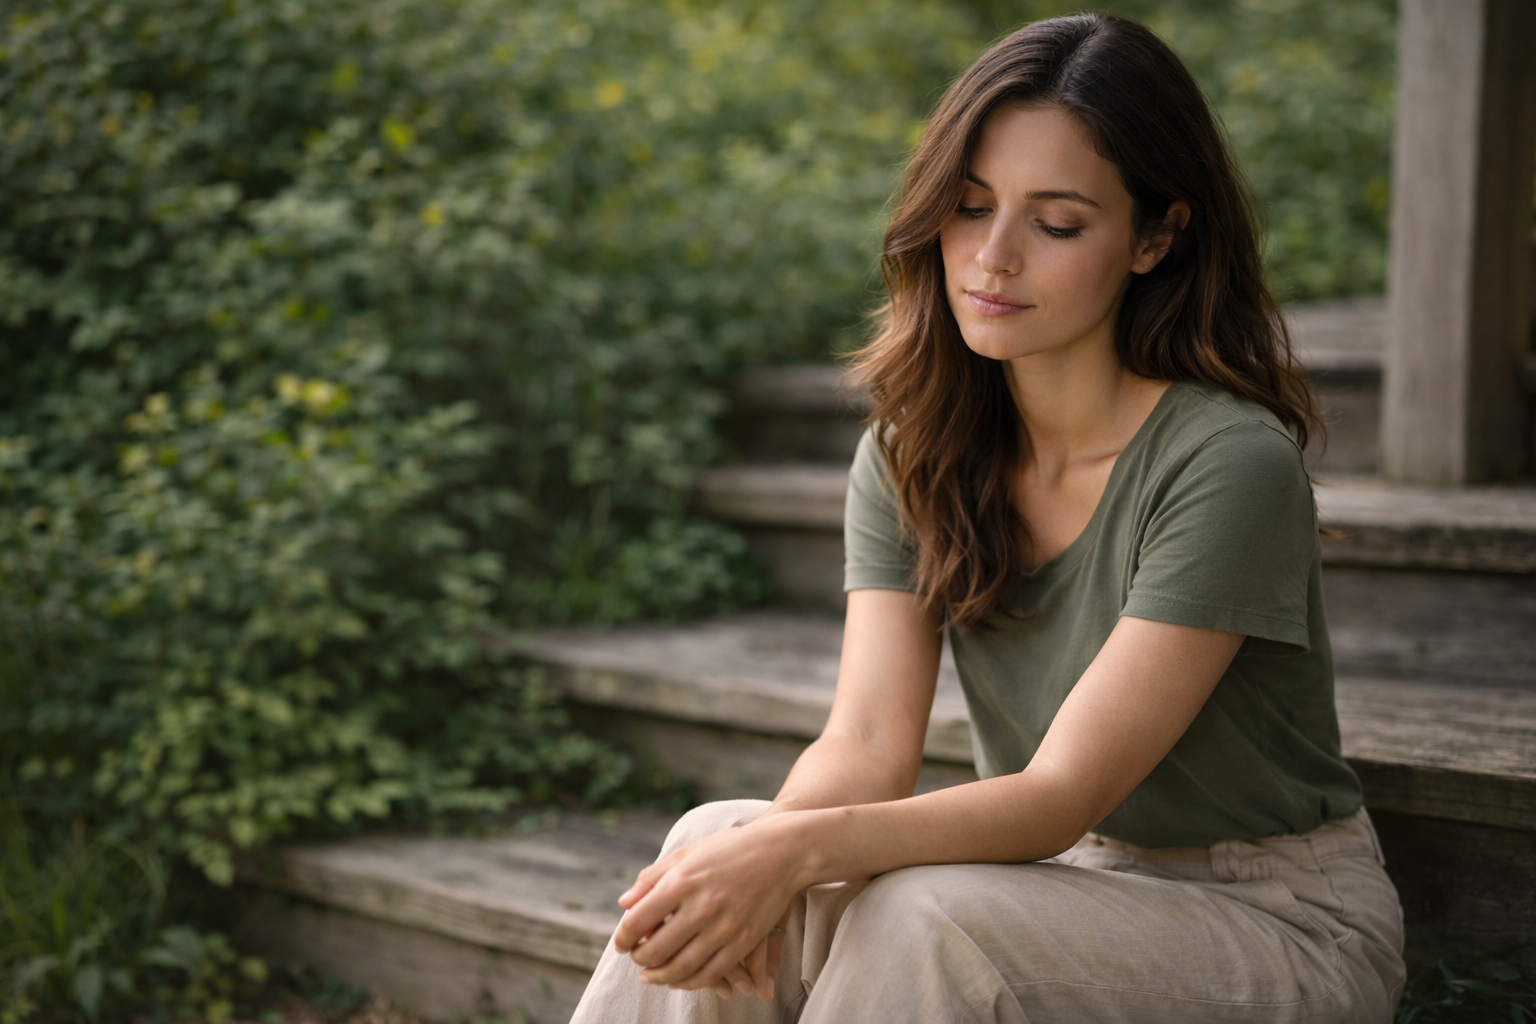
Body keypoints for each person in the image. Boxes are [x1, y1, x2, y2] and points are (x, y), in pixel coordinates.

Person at [570, 12, 1406, 1023]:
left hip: (1271, 915)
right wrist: (756, 870)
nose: (992, 257)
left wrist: (794, 851)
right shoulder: (912, 451)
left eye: (1055, 223)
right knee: (715, 838)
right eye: (969, 208)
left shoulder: (1226, 463)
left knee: (921, 914)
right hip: (1054, 880)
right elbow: (870, 742)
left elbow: (1060, 794)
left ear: (1155, 236)